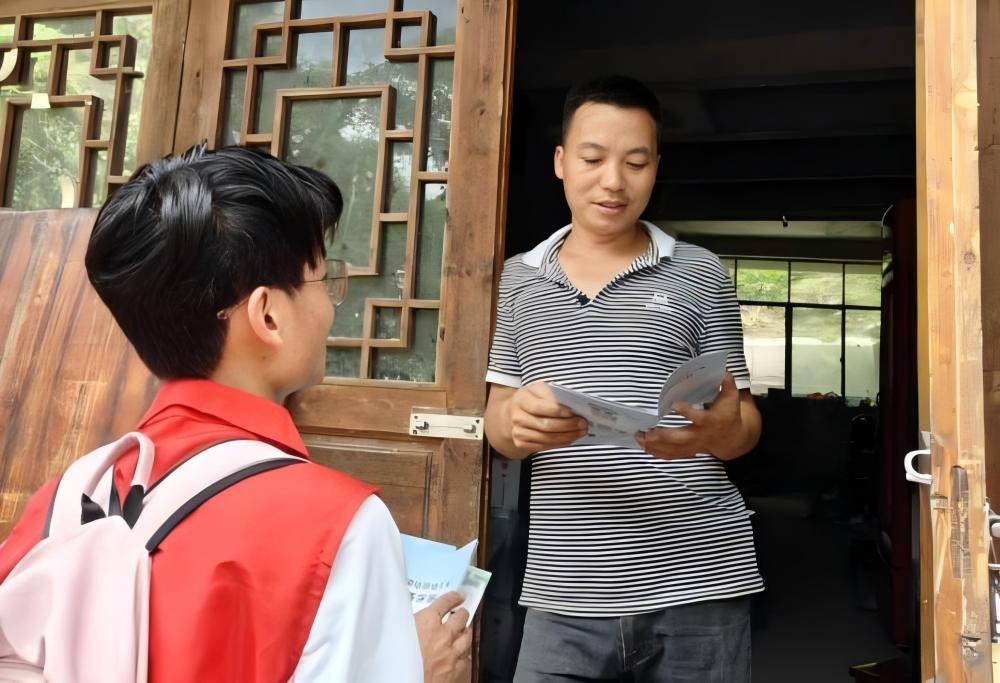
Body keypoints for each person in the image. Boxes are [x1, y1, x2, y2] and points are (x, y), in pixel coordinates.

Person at [0, 145, 470, 682]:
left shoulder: (65, 498)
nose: (330, 307)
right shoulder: (339, 527)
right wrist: (413, 669)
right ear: (267, 315)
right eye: (324, 280)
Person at [484, 76, 764, 682]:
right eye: (593, 159)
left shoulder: (701, 273)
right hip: (564, 587)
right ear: (560, 162)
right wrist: (515, 422)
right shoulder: (517, 279)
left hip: (700, 579)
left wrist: (719, 433)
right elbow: (498, 423)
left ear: (655, 167)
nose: (613, 181)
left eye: (635, 163)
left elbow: (743, 426)